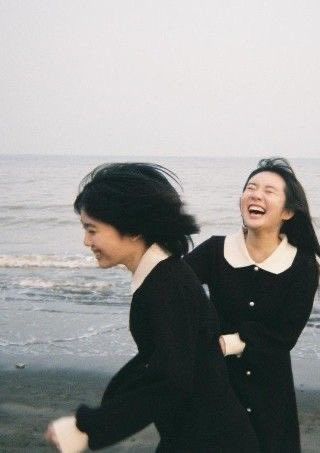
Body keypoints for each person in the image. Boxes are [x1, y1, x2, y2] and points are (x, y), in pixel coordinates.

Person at [44, 163, 259, 452]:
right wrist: (91, 421)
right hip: (194, 435)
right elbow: (155, 363)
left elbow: (169, 380)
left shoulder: (166, 286)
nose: (86, 241)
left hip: (210, 441)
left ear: (133, 229)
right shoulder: (161, 278)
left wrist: (91, 429)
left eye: (92, 229)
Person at [185, 157, 320, 453]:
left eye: (269, 191)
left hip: (270, 389)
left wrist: (228, 343)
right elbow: (175, 291)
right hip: (216, 381)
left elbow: (285, 335)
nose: (256, 194)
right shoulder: (216, 250)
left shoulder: (301, 265)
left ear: (288, 211)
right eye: (251, 187)